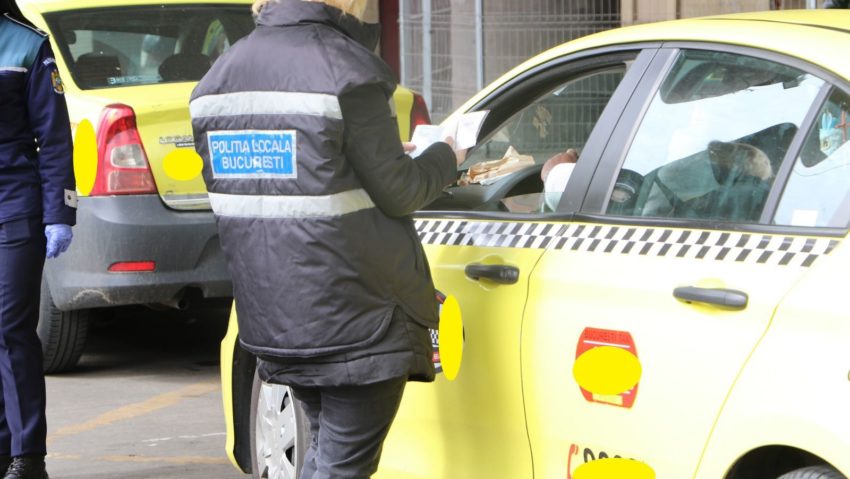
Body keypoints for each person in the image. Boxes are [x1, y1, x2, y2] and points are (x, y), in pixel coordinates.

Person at [189, 0, 462, 477]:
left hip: (276, 318)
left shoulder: (217, 79)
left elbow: (295, 177)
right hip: (357, 320)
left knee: (325, 457)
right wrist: (447, 154)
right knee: (340, 465)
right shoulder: (346, 68)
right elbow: (401, 191)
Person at [0, 1, 77, 478]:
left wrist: (59, 212)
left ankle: (28, 456)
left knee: (8, 327)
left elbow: (53, 138)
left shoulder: (25, 44)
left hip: (14, 204)